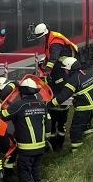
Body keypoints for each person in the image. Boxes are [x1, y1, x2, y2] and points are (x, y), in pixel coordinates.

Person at [33, 23, 78, 151]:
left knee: (58, 85)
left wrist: (46, 71)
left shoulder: (55, 42)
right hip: (60, 68)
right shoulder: (50, 39)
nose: (40, 40)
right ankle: (55, 144)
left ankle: (58, 145)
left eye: (41, 37)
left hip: (62, 68)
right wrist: (44, 67)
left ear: (45, 34)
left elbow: (53, 58)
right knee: (54, 85)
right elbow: (49, 58)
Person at [1, 79, 51, 182]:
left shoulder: (18, 105)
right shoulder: (42, 104)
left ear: (21, 92)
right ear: (35, 92)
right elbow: (48, 122)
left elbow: (2, 116)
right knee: (36, 168)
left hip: (26, 148)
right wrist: (47, 138)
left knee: (24, 170)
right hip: (41, 146)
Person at [48, 57, 93, 153]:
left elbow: (62, 97)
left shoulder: (73, 80)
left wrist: (49, 104)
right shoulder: (84, 74)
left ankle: (77, 153)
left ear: (69, 69)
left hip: (85, 108)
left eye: (65, 70)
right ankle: (91, 143)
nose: (65, 72)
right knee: (86, 125)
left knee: (75, 130)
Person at [0, 77, 18, 182]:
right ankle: (8, 172)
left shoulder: (6, 93)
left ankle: (8, 172)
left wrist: (12, 83)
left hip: (11, 123)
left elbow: (7, 88)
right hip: (11, 123)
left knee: (12, 146)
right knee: (12, 146)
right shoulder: (12, 92)